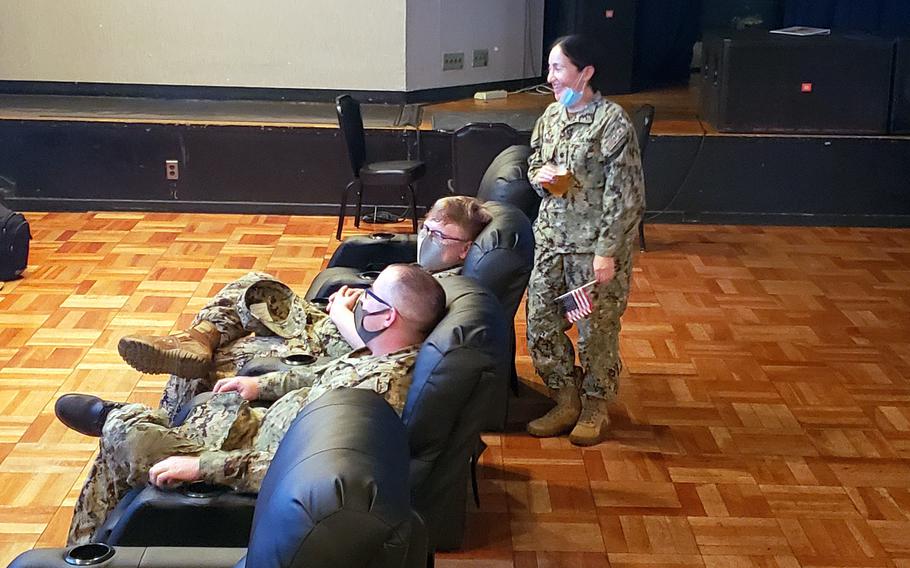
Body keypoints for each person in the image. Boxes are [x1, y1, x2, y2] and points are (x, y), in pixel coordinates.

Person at [54, 264, 446, 546]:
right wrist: (259, 385)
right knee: (155, 416)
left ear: (387, 316)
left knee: (125, 433)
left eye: (372, 297)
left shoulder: (379, 391)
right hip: (248, 429)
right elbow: (323, 377)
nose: (362, 300)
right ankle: (94, 544)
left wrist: (202, 467)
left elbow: (315, 474)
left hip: (245, 466)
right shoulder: (383, 356)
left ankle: (86, 545)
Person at [117, 196, 491, 421]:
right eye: (426, 227)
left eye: (440, 235)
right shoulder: (433, 270)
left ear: (466, 249)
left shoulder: (440, 288)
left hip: (332, 344)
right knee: (253, 286)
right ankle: (197, 338)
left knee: (229, 345)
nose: (427, 238)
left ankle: (167, 418)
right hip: (338, 329)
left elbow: (387, 342)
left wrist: (343, 314)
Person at [525, 35, 645, 446]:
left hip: (592, 252)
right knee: (541, 324)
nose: (550, 77)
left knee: (596, 331)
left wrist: (606, 253)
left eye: (558, 68)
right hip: (551, 243)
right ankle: (566, 399)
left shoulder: (612, 123)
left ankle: (595, 407)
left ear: (586, 72)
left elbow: (626, 197)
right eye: (550, 67)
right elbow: (535, 161)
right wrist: (540, 177)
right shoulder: (550, 116)